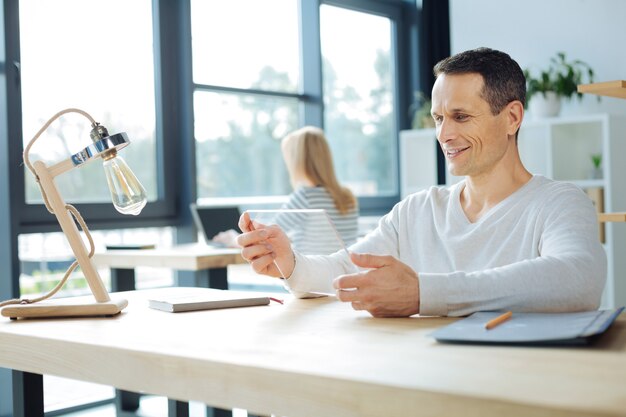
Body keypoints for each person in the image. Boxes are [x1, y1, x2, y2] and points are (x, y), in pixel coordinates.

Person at [236, 47, 607, 318]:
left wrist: (423, 293)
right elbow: (345, 270)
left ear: (511, 118)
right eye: (438, 118)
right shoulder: (418, 210)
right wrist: (291, 265)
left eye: (461, 116)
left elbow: (578, 278)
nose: (444, 134)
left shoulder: (559, 202)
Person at [213, 126, 359, 252]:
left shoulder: (306, 196)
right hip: (342, 277)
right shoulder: (347, 195)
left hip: (311, 279)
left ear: (297, 161)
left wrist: (233, 239)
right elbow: (327, 240)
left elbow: (264, 237)